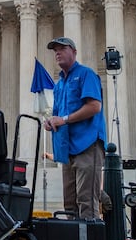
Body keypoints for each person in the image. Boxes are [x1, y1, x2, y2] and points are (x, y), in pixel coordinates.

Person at [43, 37, 107, 220]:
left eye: (62, 48)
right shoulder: (60, 84)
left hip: (87, 144)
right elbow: (58, 115)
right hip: (67, 148)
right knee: (69, 204)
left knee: (86, 202)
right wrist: (50, 122)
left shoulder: (86, 74)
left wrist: (63, 119)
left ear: (74, 51)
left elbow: (95, 106)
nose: (57, 53)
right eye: (55, 50)